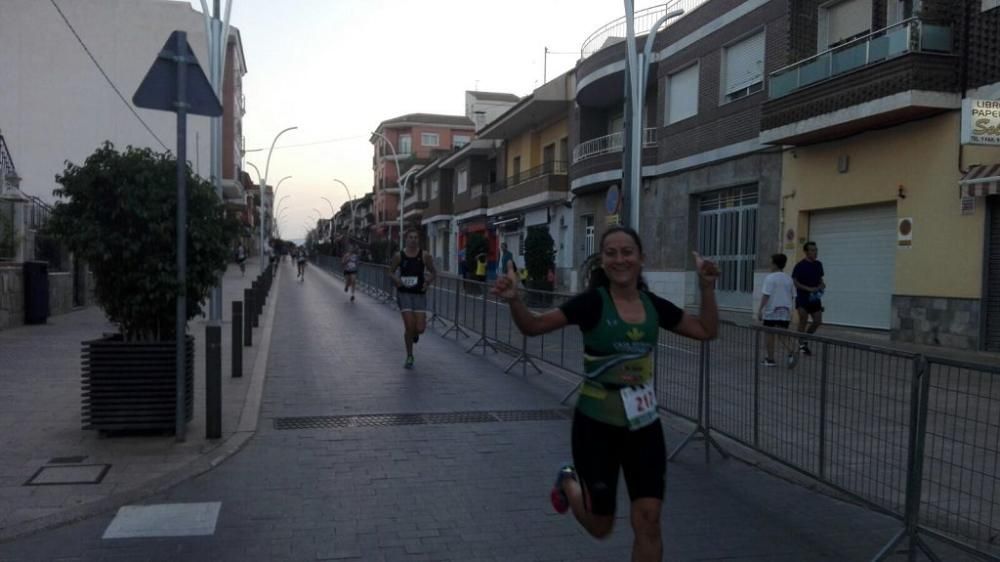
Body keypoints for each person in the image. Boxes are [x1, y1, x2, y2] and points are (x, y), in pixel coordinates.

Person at [492, 225, 719, 562]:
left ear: (641, 258)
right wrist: (515, 301)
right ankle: (569, 482)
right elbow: (533, 327)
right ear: (603, 262)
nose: (620, 259)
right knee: (602, 527)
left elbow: (706, 330)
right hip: (596, 427)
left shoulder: (654, 306)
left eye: (627, 251)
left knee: (649, 521)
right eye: (611, 253)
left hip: (644, 427)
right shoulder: (591, 304)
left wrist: (706, 287)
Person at [388, 229, 437, 369]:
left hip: (419, 294)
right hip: (404, 294)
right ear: (406, 239)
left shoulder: (425, 255)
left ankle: (415, 333)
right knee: (409, 326)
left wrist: (427, 283)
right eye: (411, 237)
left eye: (416, 237)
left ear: (418, 240)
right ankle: (409, 355)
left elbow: (434, 272)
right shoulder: (399, 256)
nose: (413, 240)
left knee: (420, 329)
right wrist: (396, 280)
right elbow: (390, 272)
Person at [757, 253, 795, 367]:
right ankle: (791, 351)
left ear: (774, 264)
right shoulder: (789, 278)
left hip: (771, 311)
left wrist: (760, 310)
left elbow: (766, 295)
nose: (769, 264)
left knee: (769, 335)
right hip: (785, 310)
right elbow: (793, 295)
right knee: (783, 335)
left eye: (771, 262)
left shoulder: (770, 278)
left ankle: (770, 359)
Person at [791, 241, 825, 355]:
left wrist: (821, 285)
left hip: (815, 298)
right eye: (812, 250)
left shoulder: (818, 264)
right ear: (806, 252)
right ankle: (801, 344)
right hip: (802, 298)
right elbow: (795, 282)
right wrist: (808, 288)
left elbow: (820, 279)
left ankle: (805, 339)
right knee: (803, 320)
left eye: (816, 250)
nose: (815, 252)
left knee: (817, 321)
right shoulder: (800, 266)